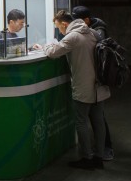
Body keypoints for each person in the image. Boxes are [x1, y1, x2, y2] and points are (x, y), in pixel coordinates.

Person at [39, 10, 109, 170]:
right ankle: (99, 157)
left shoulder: (73, 37)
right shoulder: (92, 32)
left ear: (64, 24)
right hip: (99, 85)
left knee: (81, 121)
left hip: (84, 86)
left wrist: (46, 45)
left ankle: (87, 158)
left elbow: (53, 53)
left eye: (59, 27)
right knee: (98, 121)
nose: (59, 31)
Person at [71, 6, 114, 162]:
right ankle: (100, 153)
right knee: (97, 118)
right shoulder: (95, 29)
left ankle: (102, 150)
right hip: (96, 83)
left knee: (93, 119)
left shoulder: (96, 32)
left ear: (87, 20)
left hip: (93, 82)